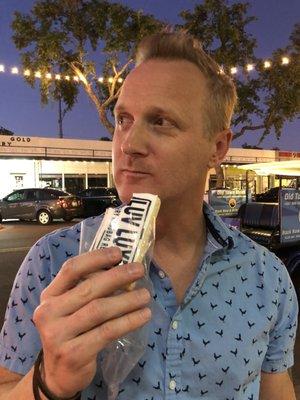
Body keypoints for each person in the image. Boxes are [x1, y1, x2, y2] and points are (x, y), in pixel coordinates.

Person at [0, 32, 298, 400]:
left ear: (217, 147)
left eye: (161, 122)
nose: (129, 144)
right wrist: (49, 381)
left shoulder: (267, 278)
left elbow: (277, 390)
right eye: (124, 119)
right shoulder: (54, 260)